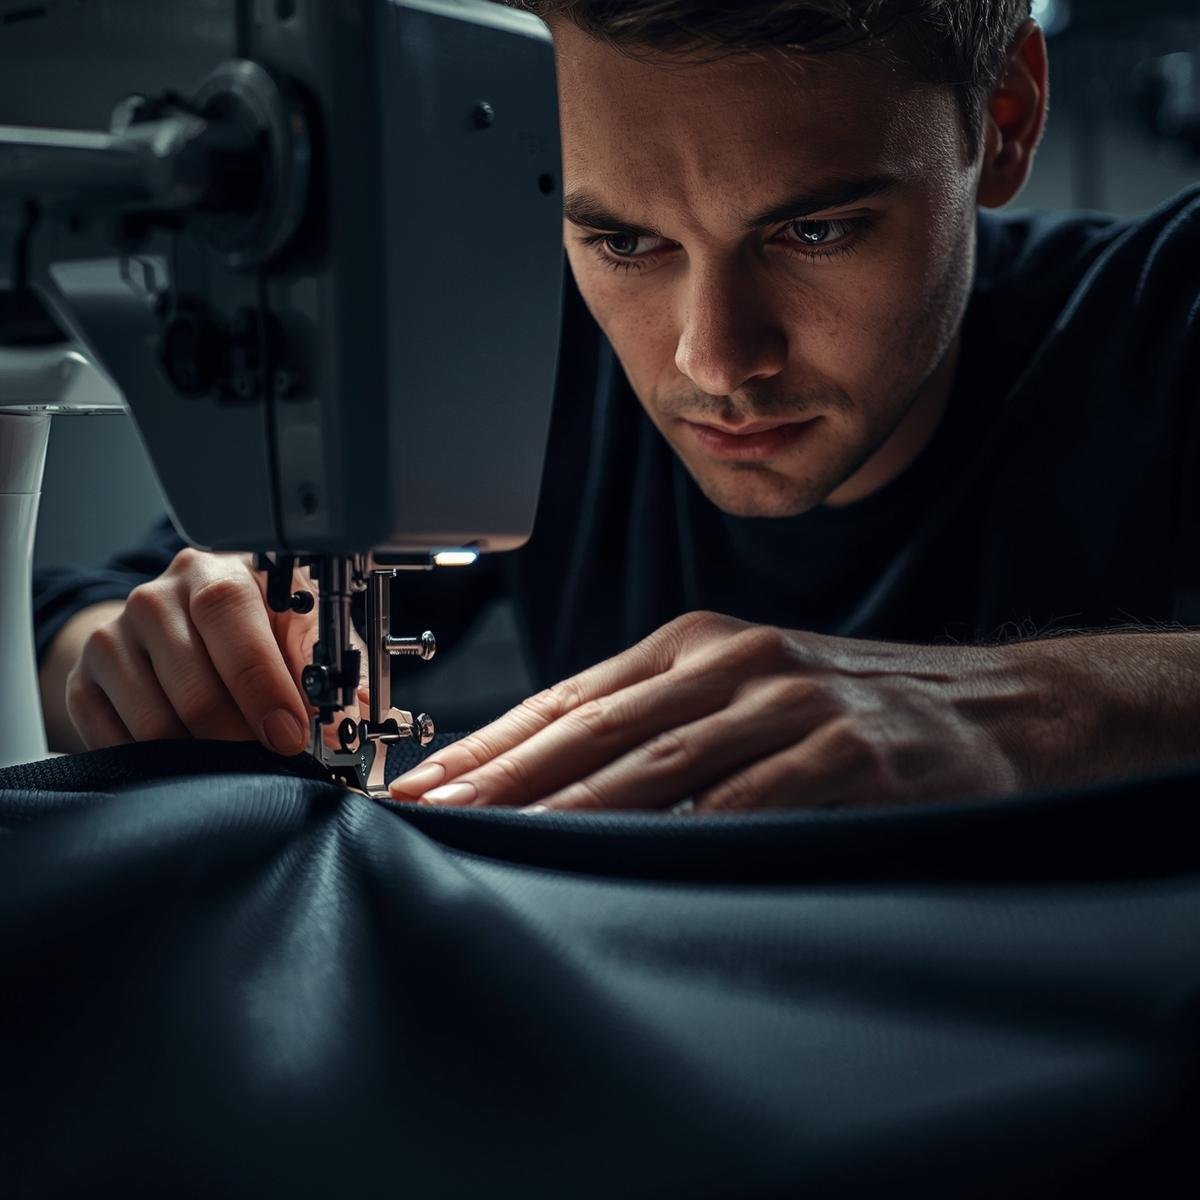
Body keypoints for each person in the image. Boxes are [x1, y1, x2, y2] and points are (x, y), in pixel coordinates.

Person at [34, 1, 1200, 813]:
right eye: (623, 241)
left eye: (814, 231)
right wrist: (146, 659)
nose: (712, 359)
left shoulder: (1166, 310)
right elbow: (79, 608)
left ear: (1002, 122)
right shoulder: (530, 353)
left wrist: (1038, 715)